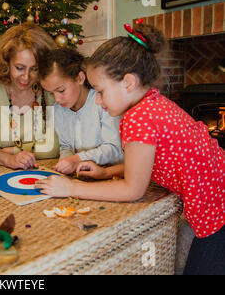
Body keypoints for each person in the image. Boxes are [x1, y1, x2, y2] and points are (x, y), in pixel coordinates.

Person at [35, 23, 225, 275]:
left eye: (101, 92)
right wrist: (106, 173)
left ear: (128, 82)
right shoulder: (154, 102)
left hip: (215, 206)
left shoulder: (137, 118)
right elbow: (148, 162)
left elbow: (134, 189)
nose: (99, 101)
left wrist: (71, 188)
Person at [0, 23, 60, 170]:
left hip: (44, 170)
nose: (26, 78)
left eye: (34, 69)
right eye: (19, 68)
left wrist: (14, 151)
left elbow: (54, 147)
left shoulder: (49, 89)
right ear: (6, 62)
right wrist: (8, 159)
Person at [39, 47, 123, 175]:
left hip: (114, 174)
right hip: (84, 174)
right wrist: (65, 161)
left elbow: (114, 148)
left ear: (80, 78)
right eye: (51, 94)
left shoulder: (103, 102)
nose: (57, 98)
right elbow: (66, 146)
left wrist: (77, 159)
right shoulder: (58, 110)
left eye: (61, 91)